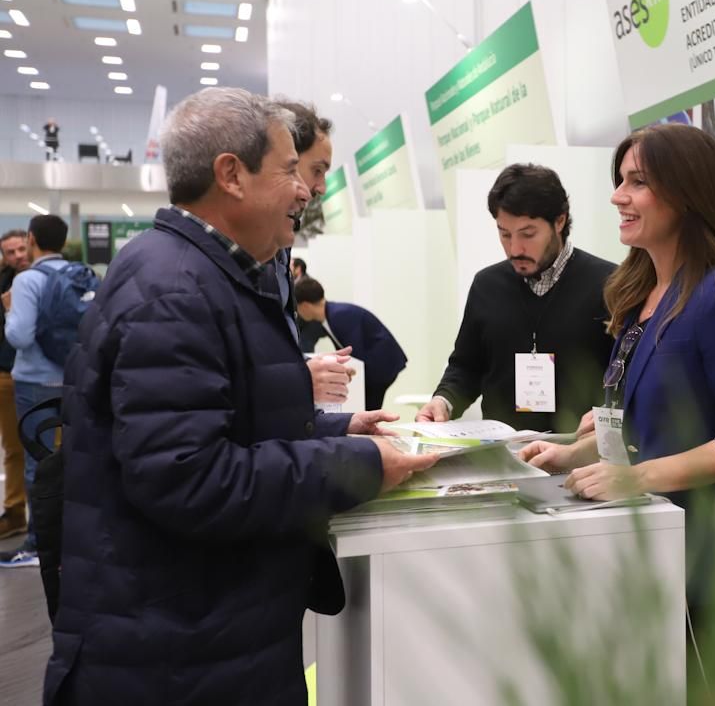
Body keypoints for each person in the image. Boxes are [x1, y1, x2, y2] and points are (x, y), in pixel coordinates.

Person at [41, 87, 438, 704]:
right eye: (289, 171)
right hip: (176, 654)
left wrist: (339, 431)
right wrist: (358, 466)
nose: (306, 190)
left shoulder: (210, 276)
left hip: (209, 633)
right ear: (231, 175)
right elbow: (190, 477)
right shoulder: (175, 292)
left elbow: (229, 419)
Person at [519, 123, 715, 693]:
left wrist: (634, 478)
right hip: (648, 550)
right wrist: (569, 454)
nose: (617, 196)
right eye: (620, 181)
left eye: (637, 182)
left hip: (707, 563)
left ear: (685, 193)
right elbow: (641, 424)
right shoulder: (641, 294)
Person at [417, 163, 615, 432]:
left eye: (528, 234)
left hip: (578, 457)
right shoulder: (487, 285)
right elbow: (466, 367)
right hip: (501, 455)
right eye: (504, 233)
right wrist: (443, 402)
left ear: (560, 221)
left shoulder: (609, 284)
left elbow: (622, 381)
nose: (515, 248)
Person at [0, 215, 74, 569]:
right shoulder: (78, 272)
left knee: (38, 461)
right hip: (72, 377)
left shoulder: (28, 280)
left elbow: (20, 337)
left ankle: (38, 541)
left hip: (35, 382)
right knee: (74, 456)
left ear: (31, 239)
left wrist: (10, 309)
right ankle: (73, 533)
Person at [271, 101, 354, 405]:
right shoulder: (187, 273)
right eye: (315, 171)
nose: (319, 188)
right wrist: (301, 378)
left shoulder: (277, 249)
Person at [295, 277, 408, 411]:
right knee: (367, 411)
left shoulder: (338, 315)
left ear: (305, 305)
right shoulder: (331, 315)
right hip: (378, 365)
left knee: (367, 411)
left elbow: (354, 352)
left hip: (381, 366)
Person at [0, 230, 30, 540]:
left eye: (22, 248)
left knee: (49, 448)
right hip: (6, 374)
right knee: (12, 448)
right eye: (11, 252)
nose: (18, 255)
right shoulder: (3, 283)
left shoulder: (47, 277)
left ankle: (49, 516)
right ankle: (15, 510)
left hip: (43, 375)